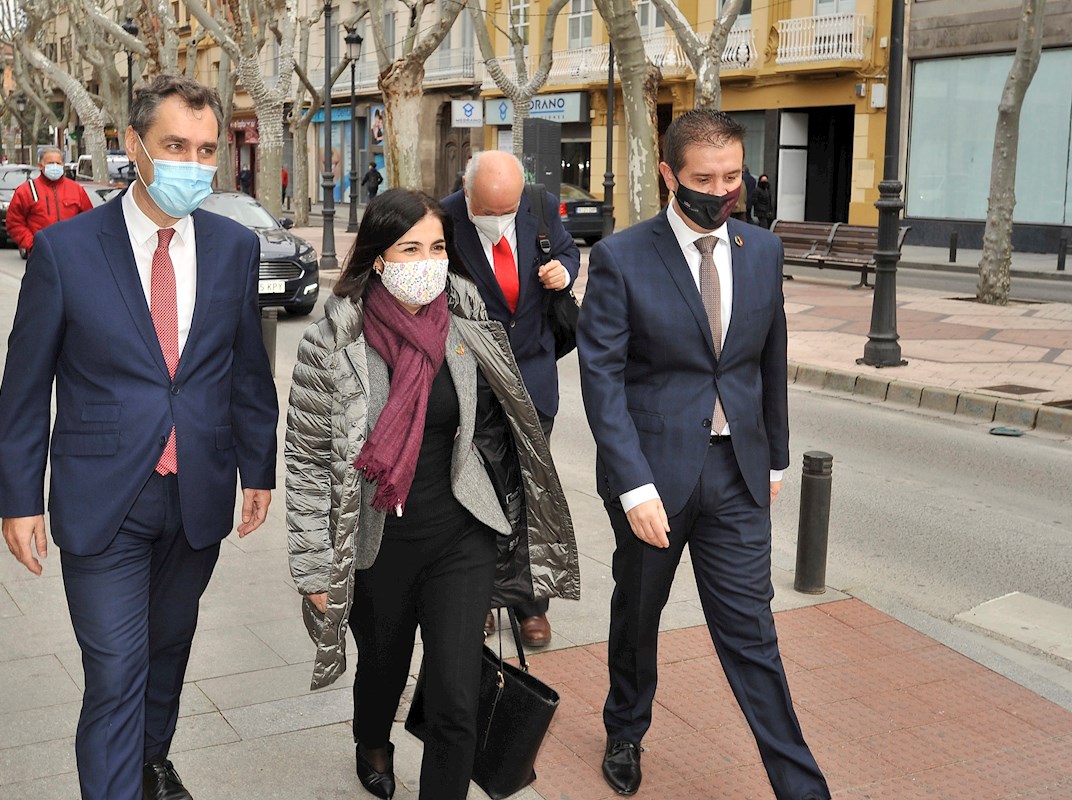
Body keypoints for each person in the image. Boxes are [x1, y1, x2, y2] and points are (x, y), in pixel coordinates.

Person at [0, 75, 280, 800]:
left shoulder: (233, 247)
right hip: (103, 500)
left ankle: (153, 759)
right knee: (117, 670)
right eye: (175, 145)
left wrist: (260, 469)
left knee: (167, 650)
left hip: (198, 496)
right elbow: (25, 387)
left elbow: (248, 370)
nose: (193, 161)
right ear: (133, 146)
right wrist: (18, 498)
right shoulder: (65, 252)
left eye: (207, 149)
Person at [285, 188, 579, 800]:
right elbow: (309, 461)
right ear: (379, 257)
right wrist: (313, 567)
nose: (428, 260)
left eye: (438, 247)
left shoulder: (469, 323)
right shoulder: (332, 341)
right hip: (375, 539)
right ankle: (373, 739)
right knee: (383, 668)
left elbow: (511, 423)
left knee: (456, 696)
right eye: (410, 247)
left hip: (461, 534)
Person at [578, 109, 830, 799]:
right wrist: (632, 487)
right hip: (653, 477)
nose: (720, 192)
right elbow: (601, 380)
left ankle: (802, 787)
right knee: (639, 612)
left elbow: (769, 359)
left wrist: (776, 458)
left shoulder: (761, 249)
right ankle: (626, 729)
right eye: (703, 179)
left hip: (738, 473)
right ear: (669, 175)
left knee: (752, 634)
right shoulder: (622, 257)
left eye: (731, 178)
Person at [441, 150, 580, 648]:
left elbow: (567, 251)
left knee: (530, 493)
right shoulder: (443, 219)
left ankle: (529, 605)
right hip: (473, 385)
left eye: (509, 210)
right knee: (476, 496)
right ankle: (478, 597)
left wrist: (564, 272)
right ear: (467, 190)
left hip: (534, 379)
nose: (499, 222)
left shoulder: (539, 206)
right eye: (489, 211)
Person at [5, 147, 93, 259]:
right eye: (50, 163)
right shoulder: (26, 191)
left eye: (58, 163)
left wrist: (80, 244)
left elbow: (89, 221)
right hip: (41, 257)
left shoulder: (76, 190)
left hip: (71, 255)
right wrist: (33, 244)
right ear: (40, 165)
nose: (55, 166)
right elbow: (14, 223)